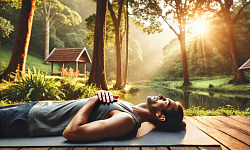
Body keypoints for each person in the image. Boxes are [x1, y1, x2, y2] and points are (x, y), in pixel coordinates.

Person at [0, 91, 186, 141]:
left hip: (29, 120)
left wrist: (93, 99)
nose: (162, 96)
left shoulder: (127, 120)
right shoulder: (128, 106)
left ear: (160, 116)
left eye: (166, 102)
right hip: (37, 107)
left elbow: (72, 132)